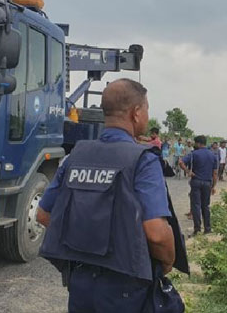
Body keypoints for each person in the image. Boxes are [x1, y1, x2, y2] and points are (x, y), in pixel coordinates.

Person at [36, 78, 179, 313]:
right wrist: (167, 261)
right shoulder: (143, 160)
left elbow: (43, 214)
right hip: (126, 285)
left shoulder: (75, 156)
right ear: (136, 113)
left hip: (80, 282)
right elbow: (156, 233)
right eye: (146, 109)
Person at [179, 135, 218, 236]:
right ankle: (207, 229)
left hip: (196, 181)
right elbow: (215, 173)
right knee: (206, 206)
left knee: (196, 206)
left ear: (198, 143)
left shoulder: (193, 154)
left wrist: (188, 171)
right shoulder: (213, 155)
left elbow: (181, 162)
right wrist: (213, 186)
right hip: (207, 183)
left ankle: (197, 230)